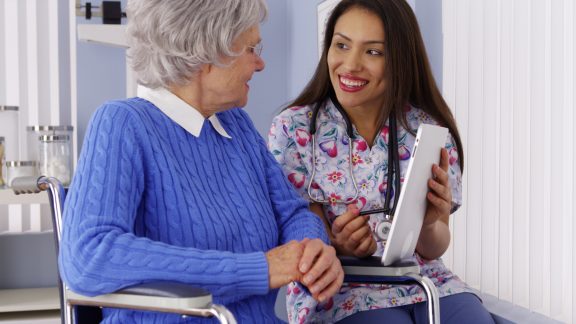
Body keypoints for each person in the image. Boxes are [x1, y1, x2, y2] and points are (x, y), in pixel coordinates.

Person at [58, 0, 344, 322]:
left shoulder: (236, 124)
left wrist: (311, 254)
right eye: (251, 48)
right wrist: (259, 269)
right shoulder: (122, 124)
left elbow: (292, 213)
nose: (261, 63)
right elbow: (89, 255)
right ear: (207, 52)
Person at [268, 0, 495, 323]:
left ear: (400, 60)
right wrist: (337, 243)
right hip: (343, 289)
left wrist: (431, 222)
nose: (350, 65)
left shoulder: (426, 129)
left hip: (425, 282)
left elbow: (435, 247)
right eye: (341, 45)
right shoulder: (295, 130)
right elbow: (301, 236)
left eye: (373, 52)